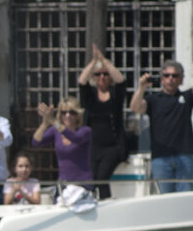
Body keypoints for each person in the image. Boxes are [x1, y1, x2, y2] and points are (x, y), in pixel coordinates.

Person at [130, 60, 193, 194]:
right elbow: (135, 107)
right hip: (160, 158)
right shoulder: (154, 99)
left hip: (184, 156)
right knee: (165, 200)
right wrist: (141, 87)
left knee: (185, 199)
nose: (170, 79)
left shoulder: (187, 97)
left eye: (175, 76)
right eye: (167, 75)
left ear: (181, 79)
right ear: (162, 79)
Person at [78, 44, 127, 199]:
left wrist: (105, 62)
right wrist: (93, 62)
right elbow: (81, 81)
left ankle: (106, 206)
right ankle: (92, 206)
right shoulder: (90, 96)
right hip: (93, 147)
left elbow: (121, 81)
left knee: (101, 177)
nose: (102, 77)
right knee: (91, 179)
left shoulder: (115, 96)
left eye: (105, 74)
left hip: (113, 147)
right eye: (98, 75)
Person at [32, 96, 92, 188]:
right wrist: (45, 123)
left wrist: (52, 120)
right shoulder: (55, 131)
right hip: (63, 183)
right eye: (64, 112)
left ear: (78, 114)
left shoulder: (85, 130)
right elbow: (36, 142)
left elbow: (75, 138)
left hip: (82, 184)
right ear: (60, 114)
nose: (68, 115)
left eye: (72, 112)